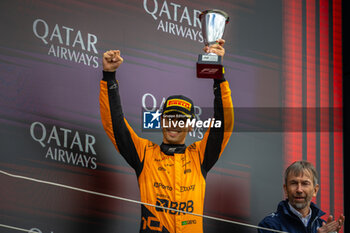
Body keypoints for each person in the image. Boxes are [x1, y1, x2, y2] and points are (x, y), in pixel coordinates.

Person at [99, 39, 234, 233]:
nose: (174, 124)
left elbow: (224, 123)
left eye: (181, 120)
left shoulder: (199, 157)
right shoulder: (145, 153)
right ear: (161, 121)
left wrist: (217, 73)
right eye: (169, 118)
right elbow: (115, 125)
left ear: (190, 125)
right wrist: (109, 77)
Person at [258, 160, 345, 233]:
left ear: (315, 190)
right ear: (286, 189)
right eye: (294, 183)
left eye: (305, 184)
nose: (299, 189)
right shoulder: (269, 225)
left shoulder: (323, 226)